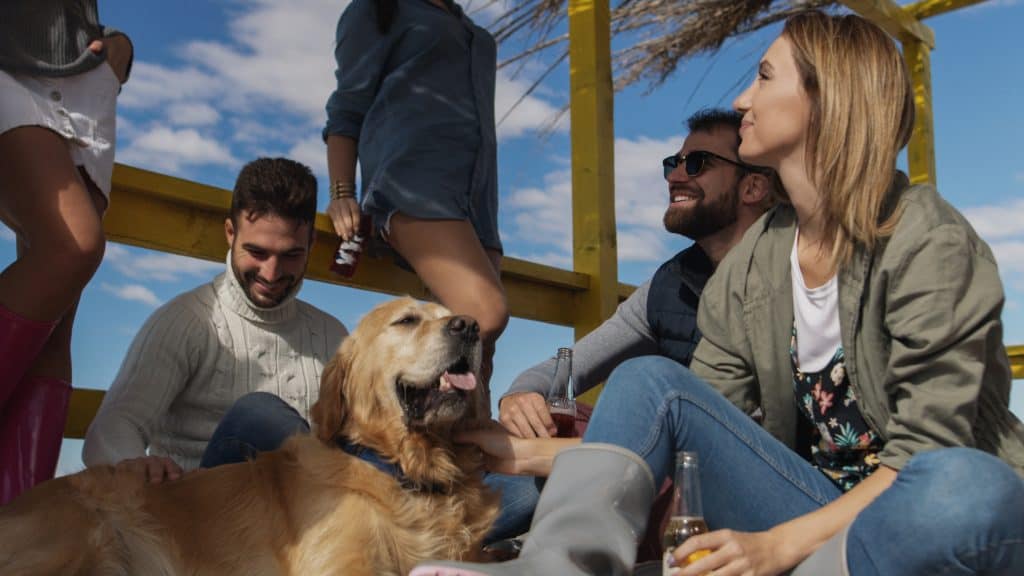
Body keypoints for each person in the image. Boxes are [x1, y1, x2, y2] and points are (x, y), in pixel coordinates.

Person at [411, 11, 1024, 576]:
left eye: (763, 77)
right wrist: (520, 453)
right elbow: (681, 426)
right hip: (810, 515)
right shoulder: (755, 261)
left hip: (893, 528)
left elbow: (922, 457)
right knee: (650, 379)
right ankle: (561, 564)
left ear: (825, 100)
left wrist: (774, 548)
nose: (742, 99)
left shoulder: (928, 241)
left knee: (965, 488)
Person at [498, 109, 773, 439]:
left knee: (643, 378)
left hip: (758, 471)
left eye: (697, 163)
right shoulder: (669, 286)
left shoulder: (793, 278)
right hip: (677, 457)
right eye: (674, 164)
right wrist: (519, 396)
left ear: (753, 187)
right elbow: (569, 367)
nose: (675, 177)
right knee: (538, 437)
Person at [82, 158, 348, 480]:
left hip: (301, 515)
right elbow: (110, 430)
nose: (271, 273)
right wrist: (135, 463)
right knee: (259, 415)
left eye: (290, 255)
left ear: (311, 245)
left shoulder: (331, 335)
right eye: (257, 252)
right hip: (203, 515)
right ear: (230, 232)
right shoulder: (187, 321)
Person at [323, 0, 508, 415]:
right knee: (485, 314)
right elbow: (347, 107)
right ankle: (390, 428)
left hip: (478, 198)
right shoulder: (375, 10)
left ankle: (462, 468)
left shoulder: (465, 24)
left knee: (481, 362)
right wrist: (341, 194)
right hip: (412, 183)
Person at [0, 1, 133, 504]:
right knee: (72, 245)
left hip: (82, 73)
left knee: (55, 335)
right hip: (8, 61)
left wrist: (120, 47)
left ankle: (16, 535)